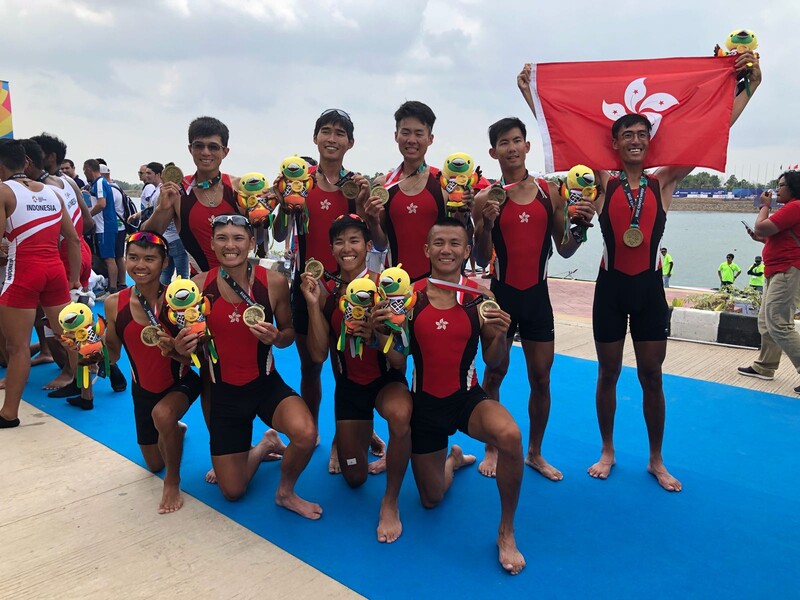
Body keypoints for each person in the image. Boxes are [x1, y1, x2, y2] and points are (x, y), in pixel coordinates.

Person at [519, 51, 761, 492]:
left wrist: (748, 87)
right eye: (625, 134)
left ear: (649, 140)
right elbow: (566, 133)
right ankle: (608, 450)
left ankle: (655, 458)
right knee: (608, 373)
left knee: (652, 375)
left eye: (640, 133)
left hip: (649, 290)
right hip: (610, 290)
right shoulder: (604, 181)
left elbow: (712, 127)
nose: (633, 139)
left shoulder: (663, 182)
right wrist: (532, 94)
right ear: (615, 143)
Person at [380, 217, 525, 574]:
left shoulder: (482, 298)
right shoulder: (408, 296)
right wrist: (391, 333)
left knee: (510, 435)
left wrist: (500, 337)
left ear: (467, 250)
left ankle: (506, 531)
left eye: (455, 243)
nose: (447, 250)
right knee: (431, 500)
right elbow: (397, 363)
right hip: (424, 404)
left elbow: (493, 362)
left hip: (465, 398)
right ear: (427, 249)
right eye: (439, 243)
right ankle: (452, 461)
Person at [472, 117, 595, 481]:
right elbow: (480, 259)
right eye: (503, 143)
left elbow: (566, 250)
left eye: (517, 141)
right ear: (493, 152)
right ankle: (492, 446)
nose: (511, 148)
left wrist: (582, 228)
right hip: (502, 295)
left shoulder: (549, 192)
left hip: (537, 297)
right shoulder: (484, 198)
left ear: (527, 146)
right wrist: (486, 226)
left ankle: (535, 453)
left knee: (541, 378)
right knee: (494, 372)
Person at [175, 214, 321, 518]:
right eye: (223, 238)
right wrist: (181, 347)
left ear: (251, 242)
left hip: (265, 385)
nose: (231, 245)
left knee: (306, 433)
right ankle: (265, 445)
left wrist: (278, 336)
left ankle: (285, 492)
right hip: (224, 394)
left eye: (239, 238)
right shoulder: (196, 287)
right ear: (213, 244)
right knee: (232, 491)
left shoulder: (276, 282)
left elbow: (289, 336)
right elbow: (189, 346)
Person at [300, 214, 412, 543]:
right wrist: (311, 305)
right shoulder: (327, 291)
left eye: (354, 240)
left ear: (367, 246)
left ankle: (390, 502)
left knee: (401, 413)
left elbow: (400, 364)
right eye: (339, 241)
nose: (346, 248)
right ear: (331, 249)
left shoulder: (387, 287)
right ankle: (364, 439)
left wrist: (378, 337)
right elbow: (319, 354)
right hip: (349, 390)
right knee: (354, 477)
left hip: (386, 382)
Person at [272, 109, 375, 457]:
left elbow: (372, 239)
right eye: (326, 132)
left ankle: (342, 440)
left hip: (348, 291)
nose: (332, 139)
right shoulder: (298, 182)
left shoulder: (355, 186)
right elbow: (278, 234)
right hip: (307, 288)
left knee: (347, 368)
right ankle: (310, 431)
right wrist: (285, 206)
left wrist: (364, 204)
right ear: (315, 137)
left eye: (340, 133)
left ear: (350, 142)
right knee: (310, 366)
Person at [103, 231, 201, 513]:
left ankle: (172, 480)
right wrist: (93, 354)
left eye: (149, 258)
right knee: (153, 462)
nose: (140, 265)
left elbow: (197, 359)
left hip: (181, 381)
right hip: (143, 390)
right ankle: (175, 430)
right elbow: (113, 352)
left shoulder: (179, 301)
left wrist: (176, 349)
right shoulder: (114, 304)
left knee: (163, 415)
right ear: (125, 259)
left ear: (164, 262)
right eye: (133, 258)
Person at [0, 138, 81, 428]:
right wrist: (73, 278)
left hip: (22, 273)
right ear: (25, 162)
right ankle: (86, 391)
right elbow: (72, 238)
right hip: (54, 271)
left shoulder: (3, 191)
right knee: (69, 335)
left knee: (18, 347)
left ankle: (8, 414)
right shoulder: (52, 190)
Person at [367, 101, 471, 283]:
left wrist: (464, 211)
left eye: (419, 133)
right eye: (405, 132)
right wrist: (373, 221)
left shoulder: (443, 183)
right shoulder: (383, 185)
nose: (411, 140)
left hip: (438, 284)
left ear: (430, 138)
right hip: (396, 286)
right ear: (396, 136)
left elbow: (458, 236)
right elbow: (380, 244)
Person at [738, 171, 800, 390]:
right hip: (777, 270)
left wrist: (764, 206)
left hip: (787, 271)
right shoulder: (791, 209)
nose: (776, 189)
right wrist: (761, 239)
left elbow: (761, 226)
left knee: (779, 324)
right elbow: (771, 235)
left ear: (793, 188)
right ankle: (765, 366)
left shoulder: (796, 207)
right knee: (766, 321)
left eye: (781, 185)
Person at [84, 159, 121, 294]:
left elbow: (101, 204)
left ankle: (112, 289)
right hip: (103, 226)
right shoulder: (98, 183)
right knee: (108, 257)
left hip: (105, 226)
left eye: (84, 171)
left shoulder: (100, 183)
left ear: (88, 169)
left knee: (109, 258)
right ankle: (111, 287)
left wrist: (88, 215)